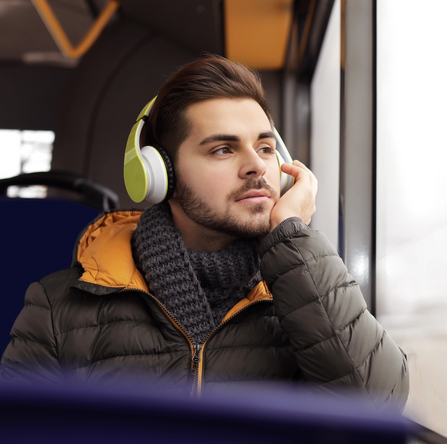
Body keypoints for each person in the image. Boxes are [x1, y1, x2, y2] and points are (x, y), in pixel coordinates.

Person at [1, 55, 409, 411]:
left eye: (266, 148)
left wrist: (291, 235)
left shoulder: (307, 292)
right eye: (223, 149)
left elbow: (378, 406)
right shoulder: (58, 307)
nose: (257, 167)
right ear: (160, 175)